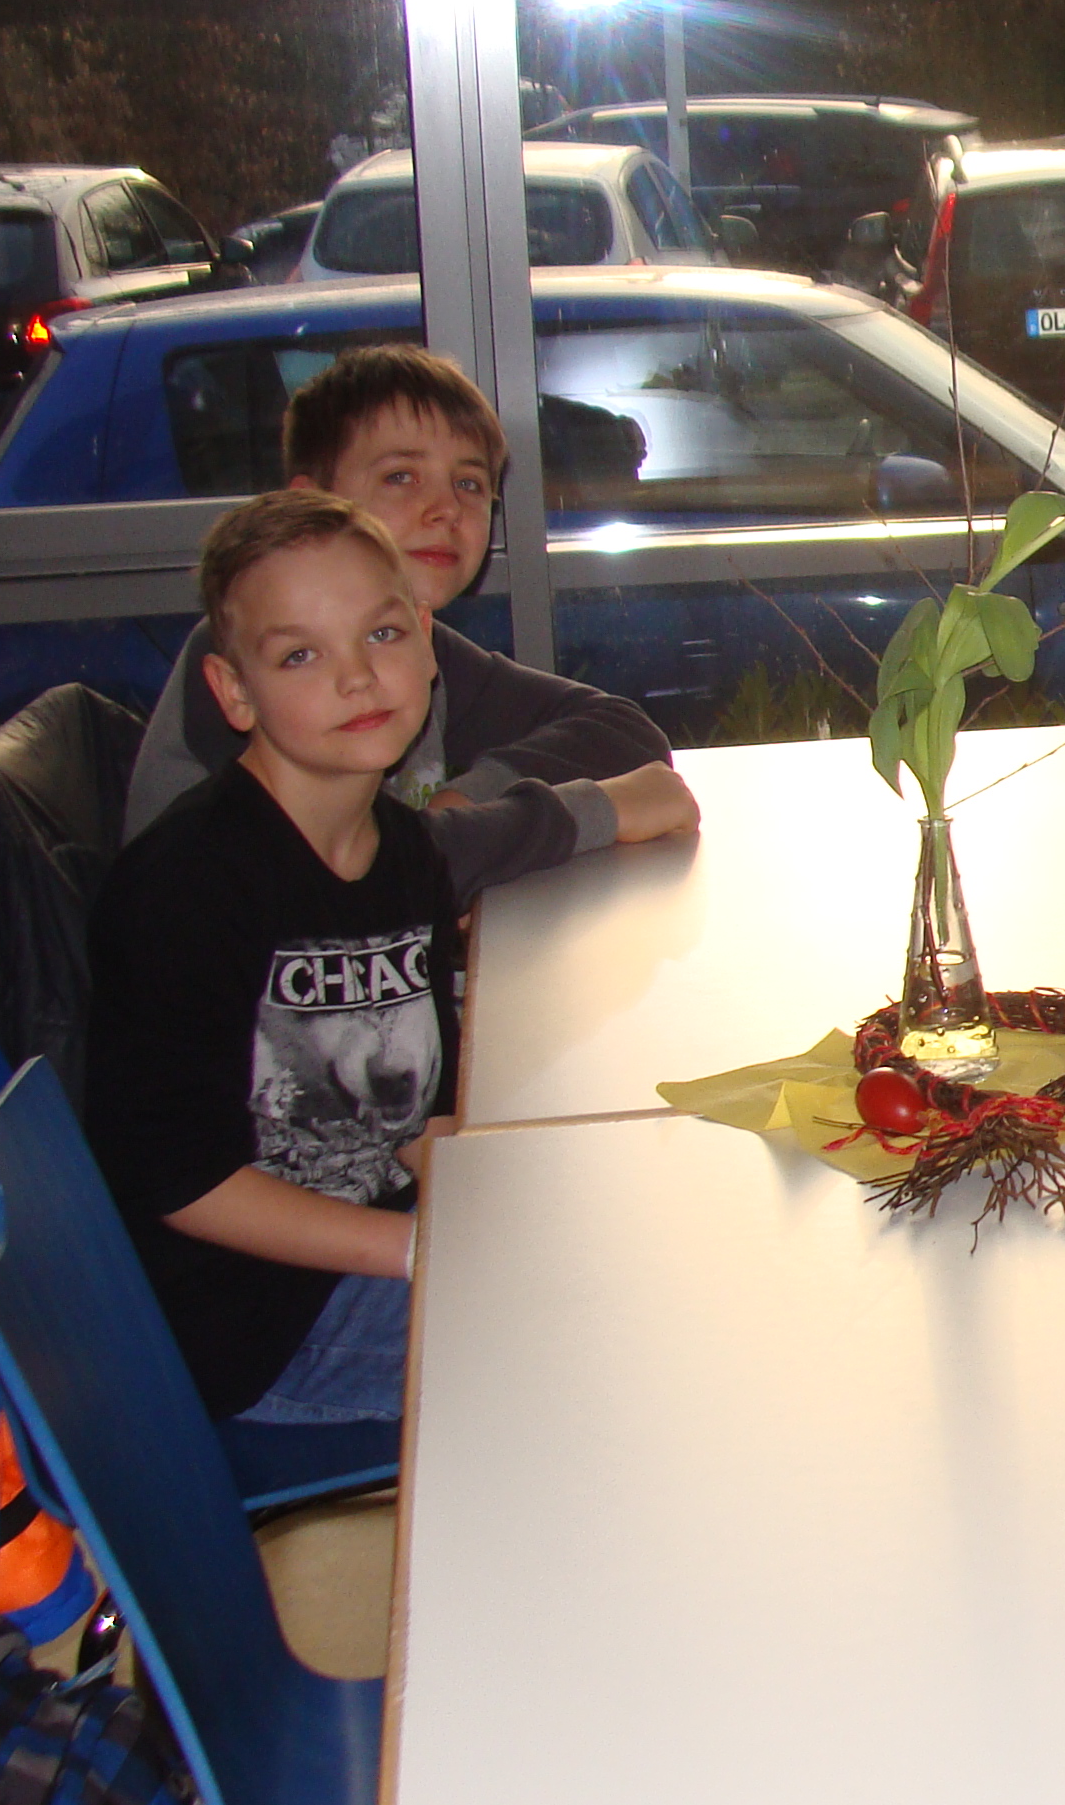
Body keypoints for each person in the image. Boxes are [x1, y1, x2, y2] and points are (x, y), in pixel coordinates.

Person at [88, 490, 464, 1426]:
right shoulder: (188, 885)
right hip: (254, 1323)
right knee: (571, 1347)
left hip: (370, 1247)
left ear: (425, 640)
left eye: (382, 634)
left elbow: (419, 1120)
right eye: (300, 655)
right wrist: (425, 1251)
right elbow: (180, 1181)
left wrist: (493, 1204)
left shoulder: (406, 855)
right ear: (233, 692)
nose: (357, 677)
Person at [124, 344, 697, 899]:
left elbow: (623, 731)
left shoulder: (413, 653)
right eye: (401, 476)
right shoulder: (258, 661)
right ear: (310, 504)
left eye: (469, 484)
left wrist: (465, 803)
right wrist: (584, 813)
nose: (446, 509)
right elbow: (332, 879)